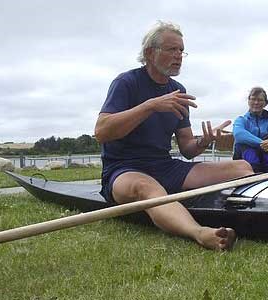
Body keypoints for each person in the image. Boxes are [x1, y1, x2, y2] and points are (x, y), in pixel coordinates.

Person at [94, 21, 253, 251]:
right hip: (124, 170)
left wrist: (205, 141)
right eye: (172, 49)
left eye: (181, 50)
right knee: (145, 186)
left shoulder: (177, 90)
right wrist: (150, 106)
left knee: (242, 167)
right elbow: (101, 131)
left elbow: (188, 148)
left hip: (164, 167)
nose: (178, 55)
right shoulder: (126, 82)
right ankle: (200, 233)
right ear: (150, 52)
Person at [232, 87, 268, 173]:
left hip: (267, 158)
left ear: (265, 103)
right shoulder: (241, 120)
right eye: (253, 99)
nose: (256, 102)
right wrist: (266, 145)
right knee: (251, 156)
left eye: (260, 100)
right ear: (248, 101)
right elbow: (239, 134)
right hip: (247, 159)